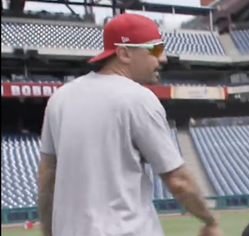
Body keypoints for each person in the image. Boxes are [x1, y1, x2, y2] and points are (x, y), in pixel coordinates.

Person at [37, 13, 222, 236]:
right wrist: (210, 220)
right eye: (154, 49)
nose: (162, 58)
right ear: (124, 53)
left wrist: (48, 231)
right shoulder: (138, 98)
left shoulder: (60, 98)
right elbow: (179, 181)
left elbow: (47, 176)